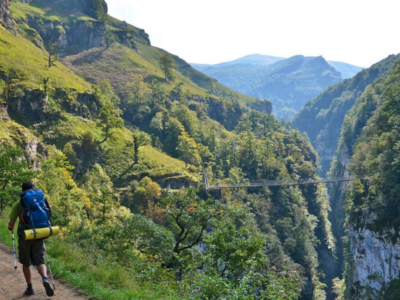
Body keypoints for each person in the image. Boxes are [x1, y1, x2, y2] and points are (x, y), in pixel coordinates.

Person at [8, 181, 54, 297]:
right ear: (33, 189)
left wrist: (10, 227)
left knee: (26, 263)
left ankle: (30, 287)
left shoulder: (19, 203)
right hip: (39, 234)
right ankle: (44, 278)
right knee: (40, 260)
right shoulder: (41, 201)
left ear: (23, 191)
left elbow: (11, 224)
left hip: (25, 236)